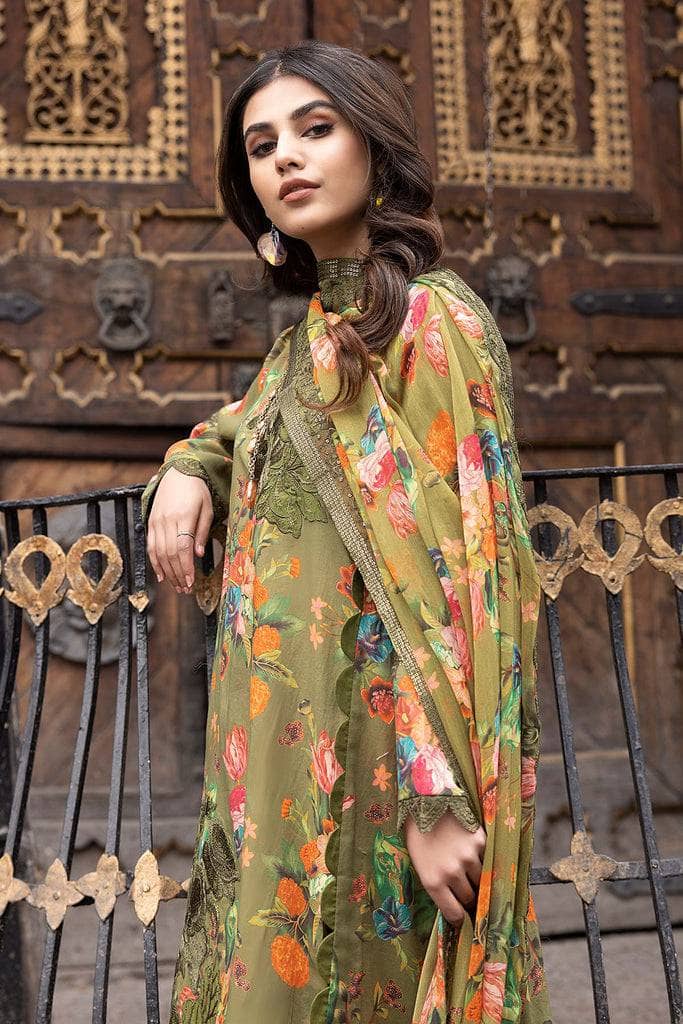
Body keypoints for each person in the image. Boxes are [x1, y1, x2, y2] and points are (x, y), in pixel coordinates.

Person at [142, 39, 552, 1024]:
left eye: (315, 129)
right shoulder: (306, 346)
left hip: (381, 766)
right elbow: (239, 428)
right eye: (260, 145)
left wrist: (434, 797)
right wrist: (186, 467)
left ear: (376, 146)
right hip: (280, 757)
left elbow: (466, 576)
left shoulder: (429, 324)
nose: (284, 156)